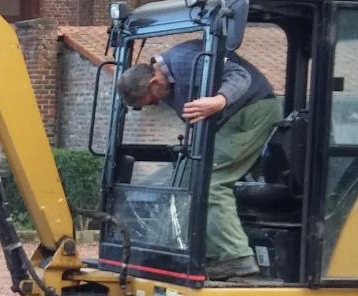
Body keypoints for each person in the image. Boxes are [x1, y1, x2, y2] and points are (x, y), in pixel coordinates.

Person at [116, 39, 282, 280]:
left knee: (209, 181)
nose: (156, 103)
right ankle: (174, 249)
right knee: (183, 177)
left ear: (154, 82)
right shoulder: (169, 85)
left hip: (253, 110)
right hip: (226, 122)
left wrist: (219, 100)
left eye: (151, 100)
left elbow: (239, 74)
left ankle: (236, 258)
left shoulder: (185, 59)